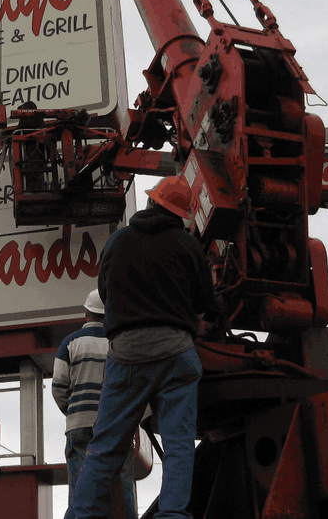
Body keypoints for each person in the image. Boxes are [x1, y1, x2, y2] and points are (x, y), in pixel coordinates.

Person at [71, 175, 217, 519]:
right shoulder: (188, 246)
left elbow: (106, 294)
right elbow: (205, 302)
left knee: (106, 446)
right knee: (179, 446)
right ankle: (172, 516)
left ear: (151, 202)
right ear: (180, 215)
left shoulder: (118, 242)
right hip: (176, 353)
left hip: (127, 355)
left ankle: (82, 515)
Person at [52, 289, 137, 519]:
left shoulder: (69, 343)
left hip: (79, 425)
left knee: (81, 486)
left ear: (86, 313)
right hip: (116, 425)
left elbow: (59, 387)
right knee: (122, 484)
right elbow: (134, 386)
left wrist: (73, 413)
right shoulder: (119, 343)